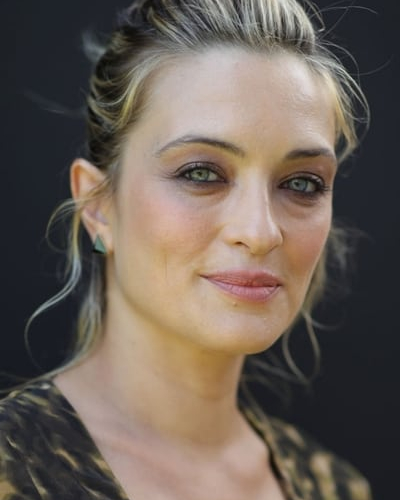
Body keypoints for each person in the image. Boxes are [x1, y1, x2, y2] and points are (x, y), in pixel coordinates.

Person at [0, 0, 372, 498]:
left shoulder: (336, 488)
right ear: (98, 206)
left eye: (302, 183)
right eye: (201, 173)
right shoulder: (13, 466)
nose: (260, 231)